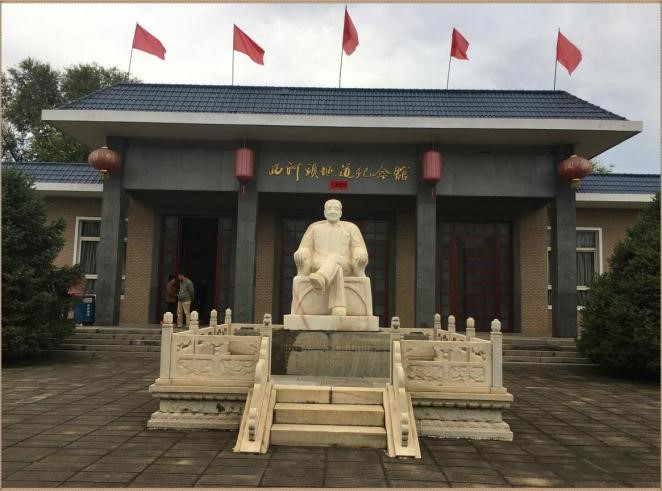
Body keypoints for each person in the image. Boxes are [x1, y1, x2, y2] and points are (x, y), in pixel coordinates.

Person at [293, 199, 368, 316]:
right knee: (336, 268)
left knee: (335, 258)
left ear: (341, 213)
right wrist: (301, 252)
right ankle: (338, 307)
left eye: (336, 209)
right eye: (329, 208)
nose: (332, 211)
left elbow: (359, 247)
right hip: (320, 264)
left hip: (345, 264)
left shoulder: (350, 228)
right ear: (324, 212)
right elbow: (304, 247)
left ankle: (321, 278)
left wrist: (360, 253)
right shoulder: (315, 228)